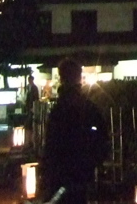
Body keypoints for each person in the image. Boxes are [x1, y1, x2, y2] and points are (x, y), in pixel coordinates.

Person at [41, 58, 109, 204]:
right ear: (79, 78)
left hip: (61, 171)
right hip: (83, 170)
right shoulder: (88, 107)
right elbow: (103, 135)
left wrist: (47, 169)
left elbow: (51, 143)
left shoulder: (58, 110)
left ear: (61, 78)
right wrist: (96, 159)